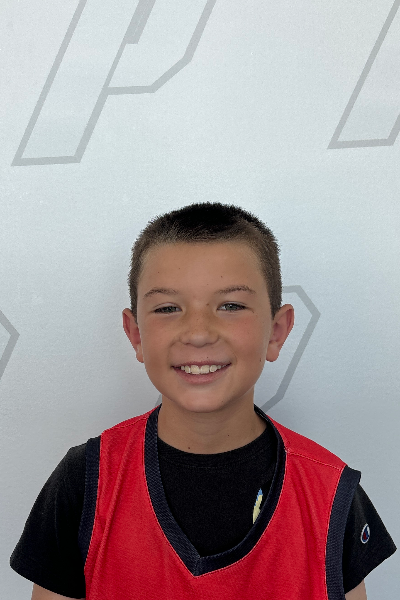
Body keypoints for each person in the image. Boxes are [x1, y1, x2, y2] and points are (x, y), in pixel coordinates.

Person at [10, 202, 396, 600]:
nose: (198, 333)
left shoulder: (331, 494)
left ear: (277, 332)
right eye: (167, 308)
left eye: (231, 306)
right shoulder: (85, 482)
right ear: (136, 334)